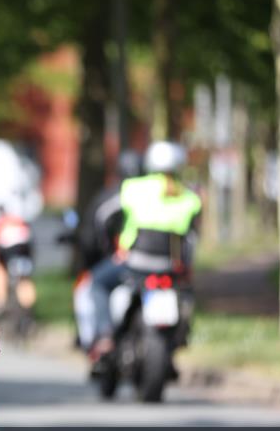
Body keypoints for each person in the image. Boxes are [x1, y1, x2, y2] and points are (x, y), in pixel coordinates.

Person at [86, 141, 201, 359]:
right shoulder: (189, 198)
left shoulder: (133, 189)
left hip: (134, 263)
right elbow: (192, 236)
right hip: (169, 267)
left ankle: (105, 335)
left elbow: (102, 216)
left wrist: (107, 246)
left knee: (96, 283)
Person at [73, 150, 142, 351]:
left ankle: (104, 335)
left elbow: (93, 234)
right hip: (163, 263)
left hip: (128, 259)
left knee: (96, 284)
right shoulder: (161, 195)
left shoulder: (115, 197)